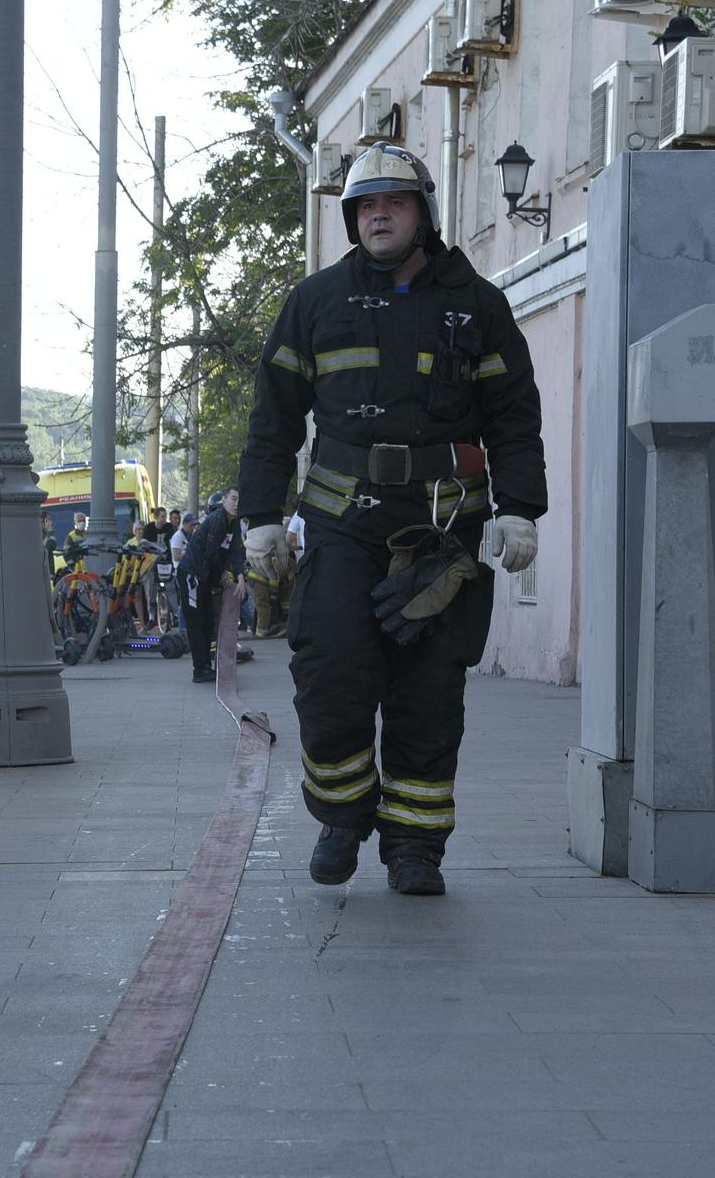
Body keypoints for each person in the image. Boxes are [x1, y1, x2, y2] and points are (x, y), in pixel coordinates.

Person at [237, 143, 546, 896]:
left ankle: (414, 846)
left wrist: (521, 510)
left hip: (446, 532)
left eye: (395, 204)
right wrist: (261, 519)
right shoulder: (313, 303)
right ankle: (343, 813)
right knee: (330, 672)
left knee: (430, 692)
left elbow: (513, 416)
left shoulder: (477, 304)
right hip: (343, 523)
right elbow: (272, 423)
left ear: (424, 214)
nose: (379, 216)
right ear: (352, 219)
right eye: (366, 206)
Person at [176, 488, 246, 683]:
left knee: (208, 621)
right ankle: (199, 669)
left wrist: (240, 578)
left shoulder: (235, 524)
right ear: (224, 501)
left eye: (240, 500)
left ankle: (206, 665)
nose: (236, 503)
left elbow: (236, 551)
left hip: (206, 577)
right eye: (233, 498)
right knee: (196, 622)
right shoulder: (217, 519)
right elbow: (210, 552)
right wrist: (223, 572)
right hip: (192, 574)